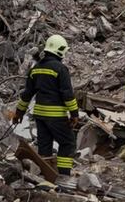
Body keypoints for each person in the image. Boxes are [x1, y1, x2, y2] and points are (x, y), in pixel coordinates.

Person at [13, 34, 79, 176]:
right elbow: (67, 94)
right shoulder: (60, 69)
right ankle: (64, 176)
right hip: (56, 116)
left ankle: (46, 176)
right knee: (68, 143)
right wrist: (74, 114)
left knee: (44, 146)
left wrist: (19, 112)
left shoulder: (36, 69)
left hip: (40, 116)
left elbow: (27, 94)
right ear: (60, 50)